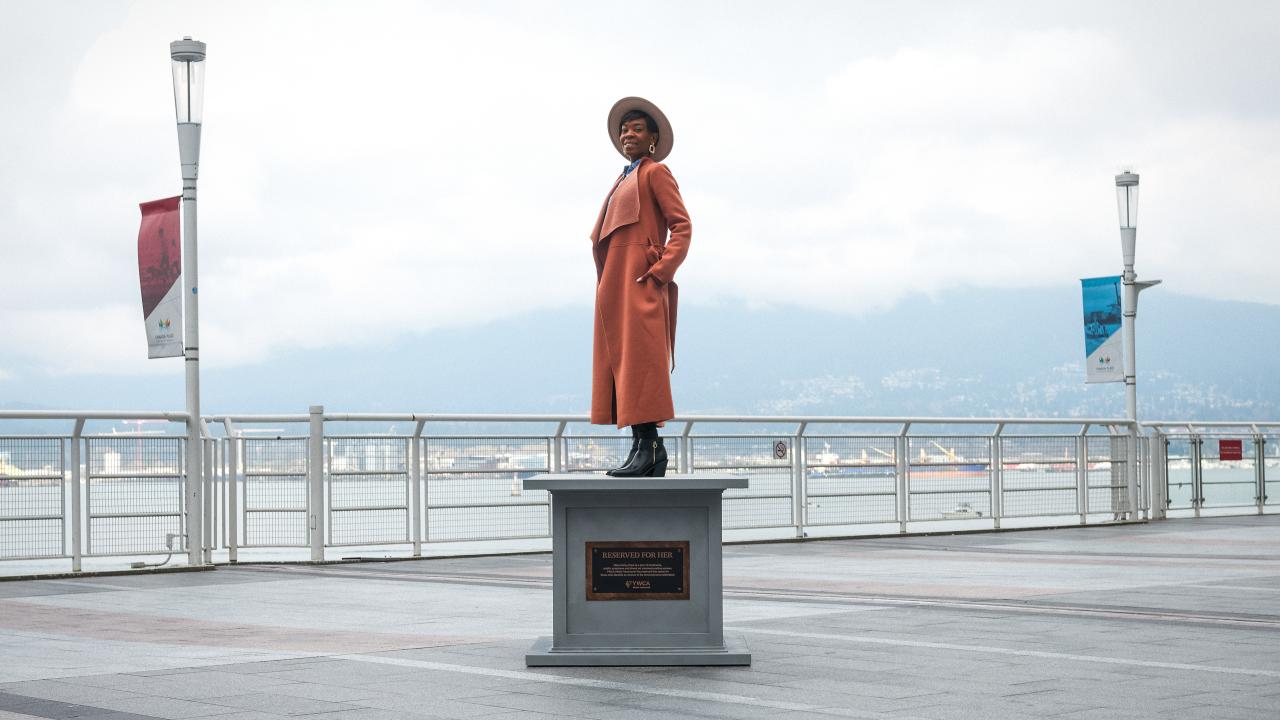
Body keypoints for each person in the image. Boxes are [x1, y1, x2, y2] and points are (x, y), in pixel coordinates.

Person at [589, 97, 691, 477]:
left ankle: (650, 450)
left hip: (639, 282)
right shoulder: (622, 178)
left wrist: (661, 270)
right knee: (623, 366)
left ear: (652, 138)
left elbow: (681, 225)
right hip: (615, 285)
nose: (627, 134)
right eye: (623, 129)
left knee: (642, 365)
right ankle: (643, 447)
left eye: (636, 128)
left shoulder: (655, 173)